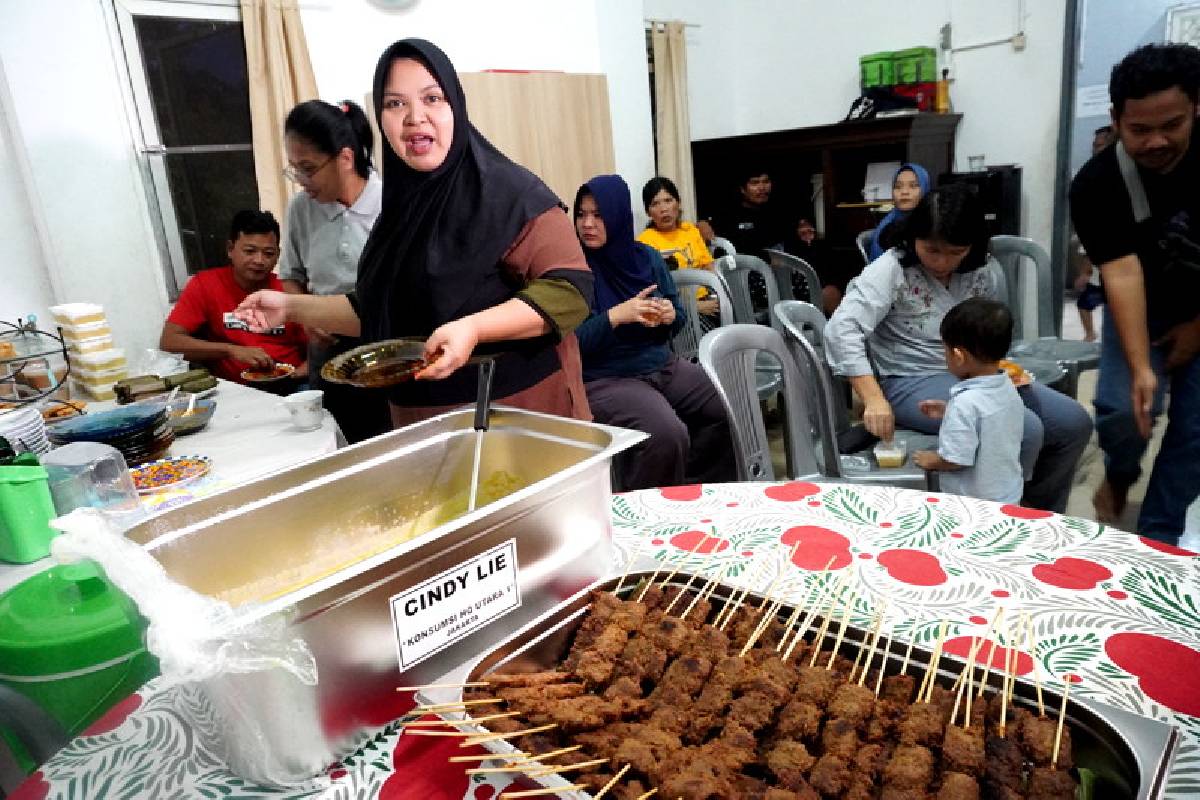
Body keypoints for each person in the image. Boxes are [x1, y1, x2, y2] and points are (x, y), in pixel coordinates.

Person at [235, 38, 593, 427]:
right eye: (395, 103)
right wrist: (288, 307)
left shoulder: (512, 194)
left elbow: (570, 292)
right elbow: (378, 310)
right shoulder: (401, 210)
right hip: (421, 420)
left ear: (456, 105)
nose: (413, 117)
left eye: (432, 99)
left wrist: (473, 328)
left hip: (516, 413)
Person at [826, 184, 1093, 513]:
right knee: (1025, 428)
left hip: (978, 371)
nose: (943, 262)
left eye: (955, 251)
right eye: (932, 250)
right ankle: (1002, 511)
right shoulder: (891, 270)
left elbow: (987, 327)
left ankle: (1041, 512)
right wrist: (873, 397)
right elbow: (842, 329)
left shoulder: (981, 269)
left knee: (1073, 423)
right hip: (912, 378)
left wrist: (1001, 367)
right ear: (913, 237)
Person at [1070, 43, 1200, 542]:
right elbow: (1122, 275)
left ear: (1195, 108)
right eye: (1139, 130)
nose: (1156, 142)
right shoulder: (1097, 185)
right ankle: (1121, 473)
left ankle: (1156, 540)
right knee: (1123, 408)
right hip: (1143, 312)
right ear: (1115, 118)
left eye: (1172, 125)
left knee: (1193, 435)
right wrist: (1143, 367)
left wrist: (1197, 331)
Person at [574, 175, 734, 490]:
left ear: (618, 216)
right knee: (666, 433)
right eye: (581, 214)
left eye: (598, 214)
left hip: (659, 363)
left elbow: (678, 314)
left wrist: (670, 315)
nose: (588, 224)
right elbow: (571, 344)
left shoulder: (645, 257)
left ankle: (693, 489)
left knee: (724, 406)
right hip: (604, 377)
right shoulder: (573, 268)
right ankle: (647, 510)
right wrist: (616, 316)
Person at [278, 99, 390, 443]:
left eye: (308, 169)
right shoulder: (302, 209)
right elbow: (290, 275)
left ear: (345, 158)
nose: (301, 181)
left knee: (388, 444)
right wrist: (308, 319)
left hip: (383, 350)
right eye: (294, 169)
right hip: (327, 352)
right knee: (338, 443)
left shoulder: (391, 205)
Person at [161, 210, 307, 390]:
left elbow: (317, 343)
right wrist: (230, 350)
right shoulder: (205, 284)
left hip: (290, 384)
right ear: (230, 249)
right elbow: (169, 341)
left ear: (278, 255)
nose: (259, 261)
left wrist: (302, 372)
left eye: (269, 253)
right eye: (250, 251)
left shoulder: (288, 290)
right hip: (234, 389)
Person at [913, 298, 1025, 504]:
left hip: (974, 503)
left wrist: (933, 461)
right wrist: (949, 411)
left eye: (945, 350)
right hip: (1007, 493)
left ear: (958, 356)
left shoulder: (965, 403)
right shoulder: (1006, 386)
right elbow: (991, 421)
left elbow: (956, 459)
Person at [637, 176, 719, 316]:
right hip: (675, 310)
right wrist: (695, 307)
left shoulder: (690, 231)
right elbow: (652, 292)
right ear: (648, 212)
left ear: (678, 203)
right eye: (655, 204)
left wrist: (720, 295)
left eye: (668, 201)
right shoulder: (644, 242)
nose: (664, 209)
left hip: (708, 299)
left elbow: (709, 267)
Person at [1071, 126, 1117, 343]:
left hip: (1115, 267)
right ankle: (1090, 334)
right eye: (1094, 146)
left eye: (1101, 146)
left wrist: (1086, 271)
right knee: (1085, 303)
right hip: (1099, 263)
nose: (1096, 150)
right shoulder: (1089, 179)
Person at [781, 216, 852, 315]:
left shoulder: (822, 248)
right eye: (803, 233)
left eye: (810, 231)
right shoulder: (787, 252)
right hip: (799, 295)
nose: (808, 236)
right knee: (830, 293)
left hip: (824, 288)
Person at [867, 162, 930, 261]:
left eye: (913, 186)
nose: (904, 192)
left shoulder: (932, 222)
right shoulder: (886, 229)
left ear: (925, 189)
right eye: (898, 187)